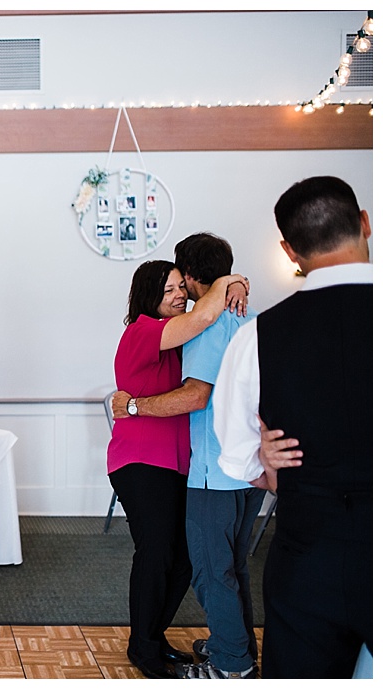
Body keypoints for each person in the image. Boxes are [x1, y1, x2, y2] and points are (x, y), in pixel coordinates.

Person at [213, 176, 372, 679]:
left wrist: (269, 466)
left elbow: (239, 461)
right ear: (365, 223)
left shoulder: (259, 335)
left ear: (288, 250)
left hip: (311, 554)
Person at [111, 234, 262, 679]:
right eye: (169, 290)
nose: (179, 295)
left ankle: (162, 639)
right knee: (161, 554)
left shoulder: (196, 328)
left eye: (182, 285)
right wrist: (230, 283)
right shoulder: (146, 331)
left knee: (192, 561)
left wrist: (233, 282)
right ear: (148, 297)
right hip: (144, 461)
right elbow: (206, 319)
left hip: (190, 465)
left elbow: (197, 386)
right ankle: (145, 646)